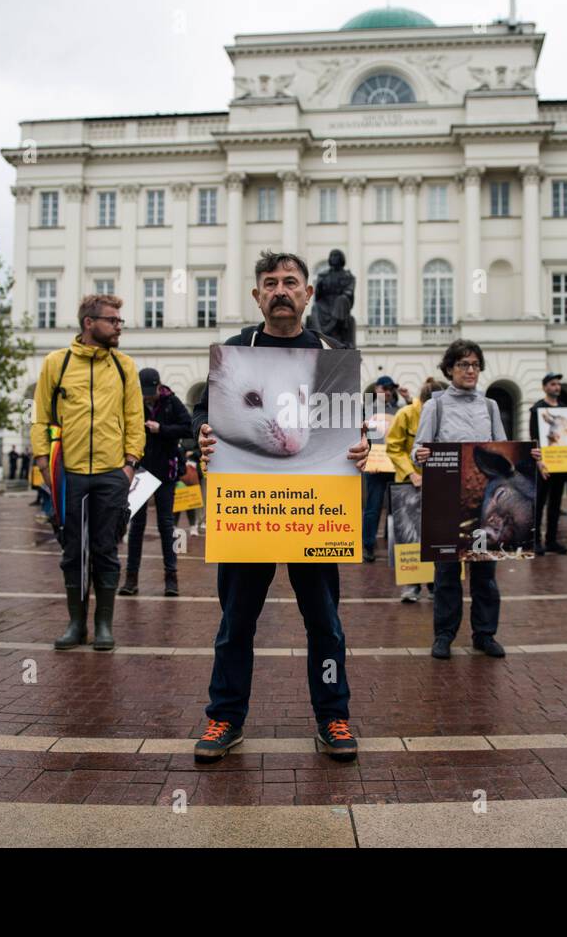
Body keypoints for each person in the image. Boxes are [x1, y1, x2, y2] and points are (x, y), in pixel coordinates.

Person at [193, 250, 369, 764]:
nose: (280, 291)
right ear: (257, 296)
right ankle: (224, 716)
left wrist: (359, 447)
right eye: (270, 283)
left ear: (308, 293)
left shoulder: (332, 352)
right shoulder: (234, 352)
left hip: (314, 514)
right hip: (249, 512)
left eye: (290, 282)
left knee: (325, 623)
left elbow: (347, 427)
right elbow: (205, 414)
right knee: (236, 622)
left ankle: (333, 715)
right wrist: (201, 434)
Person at [31, 294, 144, 651]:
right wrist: (41, 462)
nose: (118, 327)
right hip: (70, 473)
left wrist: (129, 464)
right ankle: (76, 623)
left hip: (112, 472)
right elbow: (42, 418)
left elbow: (134, 419)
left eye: (119, 321)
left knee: (106, 548)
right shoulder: (56, 363)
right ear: (89, 323)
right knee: (72, 551)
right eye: (112, 321)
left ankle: (104, 625)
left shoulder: (125, 366)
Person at [412, 340, 511, 660]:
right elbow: (417, 452)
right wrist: (422, 455)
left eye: (475, 365)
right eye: (463, 365)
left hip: (484, 502)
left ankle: (485, 634)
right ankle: (444, 635)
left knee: (485, 575)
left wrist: (526, 457)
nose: (470, 370)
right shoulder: (434, 407)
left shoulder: (490, 407)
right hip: (445, 500)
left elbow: (504, 449)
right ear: (450, 369)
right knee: (446, 574)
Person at [121, 368, 191, 597]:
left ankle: (172, 579)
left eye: (151, 392)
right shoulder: (134, 402)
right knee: (137, 527)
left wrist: (161, 429)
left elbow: (188, 426)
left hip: (166, 471)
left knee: (166, 524)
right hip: (141, 470)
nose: (147, 397)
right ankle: (131, 579)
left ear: (159, 386)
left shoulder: (172, 402)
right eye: (144, 393)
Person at [385, 376, 445, 602]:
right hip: (409, 484)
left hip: (438, 484)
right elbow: (393, 447)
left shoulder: (444, 414)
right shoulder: (406, 414)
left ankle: (433, 584)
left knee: (436, 536)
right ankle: (412, 585)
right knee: (409, 537)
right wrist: (412, 474)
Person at [362, 375, 409, 562]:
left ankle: (394, 546)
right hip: (374, 465)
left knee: (395, 508)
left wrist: (409, 398)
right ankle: (368, 545)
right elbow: (360, 436)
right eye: (385, 388)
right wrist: (367, 458)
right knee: (373, 507)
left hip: (394, 465)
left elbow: (415, 418)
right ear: (377, 389)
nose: (388, 392)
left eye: (391, 389)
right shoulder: (366, 409)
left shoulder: (399, 410)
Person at [527, 371, 567, 555]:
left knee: (555, 504)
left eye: (558, 384)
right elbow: (534, 439)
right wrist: (539, 462)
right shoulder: (537, 409)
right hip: (544, 464)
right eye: (553, 384)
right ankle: (536, 541)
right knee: (539, 503)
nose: (557, 387)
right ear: (545, 387)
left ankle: (552, 540)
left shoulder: (563, 409)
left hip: (561, 463)